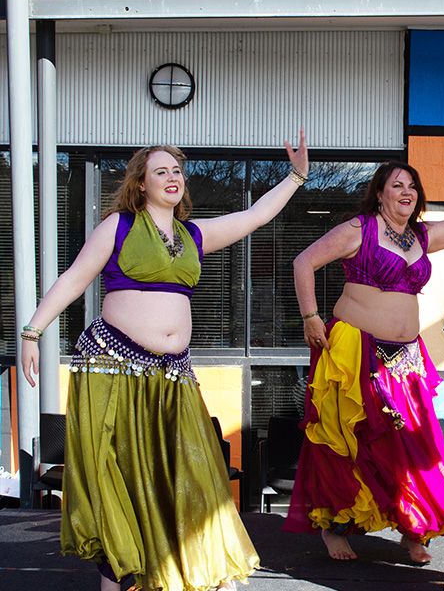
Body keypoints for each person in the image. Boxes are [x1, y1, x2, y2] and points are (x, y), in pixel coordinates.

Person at [19, 132, 311, 591]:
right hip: (113, 368)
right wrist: (33, 331)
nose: (172, 177)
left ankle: (182, 566)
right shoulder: (116, 226)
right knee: (120, 473)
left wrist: (296, 176)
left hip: (172, 376)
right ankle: (117, 574)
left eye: (177, 170)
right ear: (141, 184)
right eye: (161, 171)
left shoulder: (193, 235)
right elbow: (75, 277)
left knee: (182, 470)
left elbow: (254, 216)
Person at [283, 131, 444, 563]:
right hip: (356, 350)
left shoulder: (422, 237)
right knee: (350, 441)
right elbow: (304, 261)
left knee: (418, 446)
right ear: (379, 194)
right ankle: (335, 527)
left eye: (412, 186)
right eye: (397, 184)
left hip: (407, 359)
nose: (406, 192)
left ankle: (415, 532)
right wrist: (310, 315)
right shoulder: (359, 229)